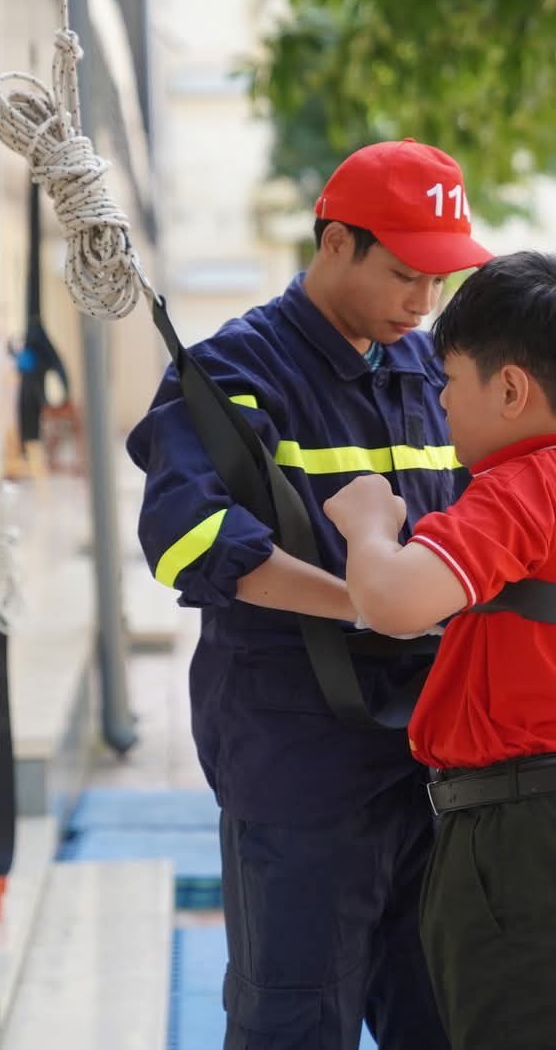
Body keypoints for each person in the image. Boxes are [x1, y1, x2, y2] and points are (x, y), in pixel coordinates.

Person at [125, 139, 491, 1050]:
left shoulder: (426, 370)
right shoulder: (234, 374)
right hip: (300, 768)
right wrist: (367, 602)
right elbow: (187, 538)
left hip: (431, 764)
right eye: (406, 273)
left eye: (439, 280)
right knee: (297, 1024)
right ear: (335, 244)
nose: (424, 300)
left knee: (443, 1018)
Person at [322, 251, 556, 1050]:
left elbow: (392, 601)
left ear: (509, 388)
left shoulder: (512, 491)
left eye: (450, 382)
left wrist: (368, 523)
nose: (441, 403)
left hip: (542, 835)